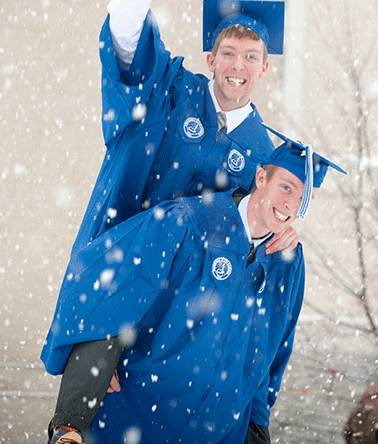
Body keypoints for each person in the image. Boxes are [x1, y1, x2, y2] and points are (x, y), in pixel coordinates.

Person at [41, 129, 345, 444]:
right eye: (286, 187)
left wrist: (256, 429)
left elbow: (269, 353)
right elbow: (107, 294)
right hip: (132, 421)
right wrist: (73, 419)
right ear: (261, 178)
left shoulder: (286, 263)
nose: (291, 205)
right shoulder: (186, 223)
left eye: (304, 198)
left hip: (215, 435)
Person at [76, 0, 298, 254]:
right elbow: (124, 31)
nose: (238, 66)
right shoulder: (170, 92)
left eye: (251, 57)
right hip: (112, 265)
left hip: (180, 302)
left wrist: (279, 235)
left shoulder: (263, 160)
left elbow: (250, 242)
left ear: (264, 69)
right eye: (228, 53)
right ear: (210, 60)